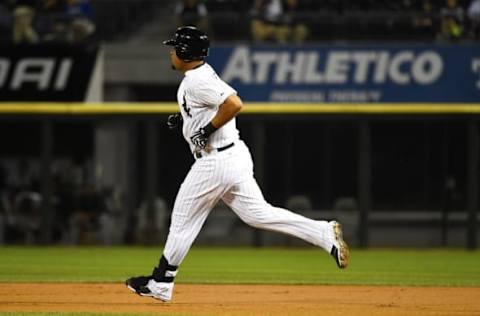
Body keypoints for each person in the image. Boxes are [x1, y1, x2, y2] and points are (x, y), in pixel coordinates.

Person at [125, 26, 350, 302]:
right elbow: (211, 106)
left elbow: (233, 104)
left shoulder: (196, 79)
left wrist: (205, 130)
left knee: (183, 221)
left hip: (216, 161)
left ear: (185, 52)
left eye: (175, 47)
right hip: (233, 156)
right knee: (257, 214)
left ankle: (161, 282)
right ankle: (323, 232)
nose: (171, 52)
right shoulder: (198, 77)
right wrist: (185, 119)